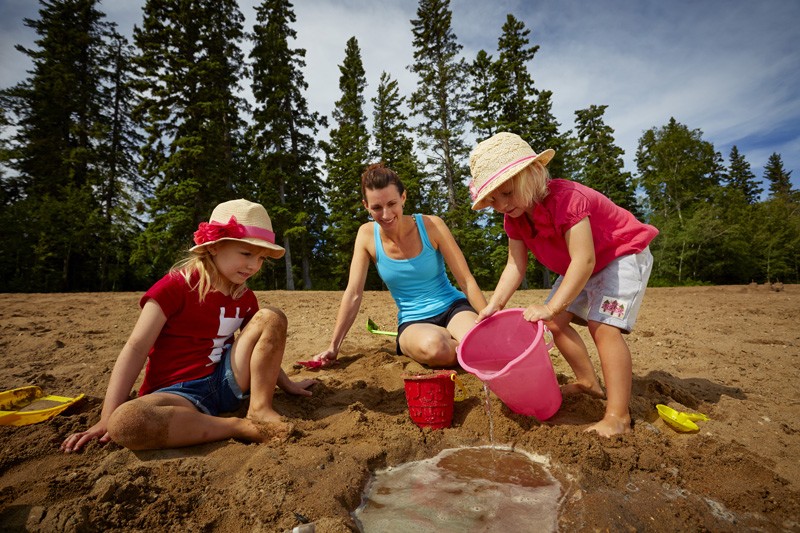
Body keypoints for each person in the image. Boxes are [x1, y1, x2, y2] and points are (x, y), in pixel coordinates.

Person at [61, 199, 316, 452]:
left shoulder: (244, 296)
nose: (253, 265)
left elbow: (262, 348)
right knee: (125, 422)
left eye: (261, 258)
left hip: (227, 381)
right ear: (214, 247)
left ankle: (260, 410)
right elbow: (136, 348)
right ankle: (238, 427)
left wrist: (287, 384)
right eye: (247, 253)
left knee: (271, 316)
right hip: (177, 394)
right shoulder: (174, 287)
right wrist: (107, 416)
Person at [468, 132, 658, 437]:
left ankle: (618, 416)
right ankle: (588, 382)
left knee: (604, 327)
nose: (502, 204)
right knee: (554, 324)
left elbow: (584, 260)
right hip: (581, 266)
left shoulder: (568, 199)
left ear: (531, 175)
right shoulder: (514, 219)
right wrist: (495, 304)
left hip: (620, 253)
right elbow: (516, 264)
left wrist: (551, 305)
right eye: (493, 199)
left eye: (507, 193)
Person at [312, 163, 487, 368]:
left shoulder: (432, 225)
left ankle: (464, 344)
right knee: (436, 349)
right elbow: (353, 293)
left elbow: (466, 280)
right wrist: (334, 346)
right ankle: (456, 345)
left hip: (453, 308)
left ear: (403, 198)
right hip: (413, 322)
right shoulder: (366, 236)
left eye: (392, 203)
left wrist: (492, 325)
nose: (386, 214)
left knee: (479, 343)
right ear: (366, 206)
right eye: (376, 207)